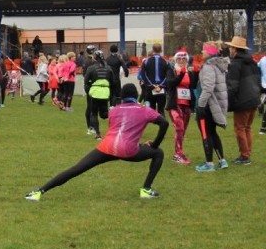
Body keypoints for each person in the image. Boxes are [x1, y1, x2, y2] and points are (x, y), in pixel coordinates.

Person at [25, 83, 168, 201]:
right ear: (136, 95)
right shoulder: (145, 110)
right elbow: (164, 123)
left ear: (122, 97)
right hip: (129, 150)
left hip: (106, 147)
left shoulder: (114, 110)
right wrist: (154, 144)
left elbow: (115, 125)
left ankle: (39, 192)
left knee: (76, 169)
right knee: (158, 153)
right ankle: (146, 189)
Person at [225, 36, 261, 165]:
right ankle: (247, 153)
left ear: (235, 49)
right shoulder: (252, 62)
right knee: (247, 128)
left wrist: (229, 103)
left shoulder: (235, 64)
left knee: (240, 128)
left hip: (243, 100)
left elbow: (232, 86)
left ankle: (244, 156)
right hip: (253, 98)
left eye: (231, 47)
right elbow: (258, 80)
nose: (230, 49)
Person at [195, 41, 229, 172]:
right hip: (216, 105)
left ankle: (209, 164)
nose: (201, 52)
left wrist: (200, 104)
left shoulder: (209, 67)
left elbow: (208, 88)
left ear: (209, 52)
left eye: (203, 50)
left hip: (207, 105)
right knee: (213, 132)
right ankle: (222, 160)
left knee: (206, 133)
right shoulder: (218, 65)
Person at [164, 48, 197, 164]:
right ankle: (178, 154)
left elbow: (193, 85)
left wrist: (195, 73)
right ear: (175, 59)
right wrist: (181, 74)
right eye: (179, 58)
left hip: (186, 104)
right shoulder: (171, 70)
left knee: (183, 130)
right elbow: (170, 83)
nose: (181, 60)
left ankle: (178, 152)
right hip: (175, 103)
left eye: (184, 58)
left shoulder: (189, 71)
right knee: (179, 127)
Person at [83, 50, 115, 139]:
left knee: (94, 113)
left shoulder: (91, 68)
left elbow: (86, 81)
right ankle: (116, 118)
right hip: (105, 93)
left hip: (94, 93)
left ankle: (98, 134)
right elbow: (112, 82)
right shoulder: (108, 68)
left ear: (95, 58)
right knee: (104, 114)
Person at [140, 43, 170, 115]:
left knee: (151, 111)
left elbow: (143, 75)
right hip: (161, 89)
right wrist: (160, 86)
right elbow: (168, 76)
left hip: (150, 89)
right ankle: (162, 124)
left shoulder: (146, 62)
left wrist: (152, 85)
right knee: (161, 110)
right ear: (161, 50)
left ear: (153, 50)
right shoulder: (166, 62)